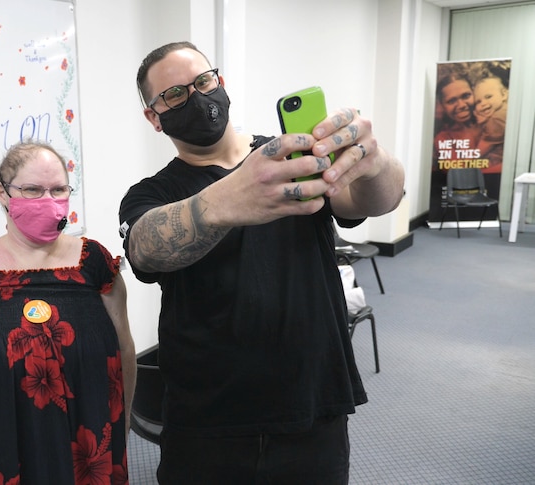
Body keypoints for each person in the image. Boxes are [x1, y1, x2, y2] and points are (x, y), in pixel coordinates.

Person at [118, 41, 405, 484]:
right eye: (174, 95)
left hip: (312, 403)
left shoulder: (294, 160)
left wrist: (374, 160)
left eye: (203, 82)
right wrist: (225, 201)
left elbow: (380, 199)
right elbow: (144, 247)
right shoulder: (150, 193)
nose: (196, 97)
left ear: (221, 82)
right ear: (154, 117)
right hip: (206, 420)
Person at [0, 141, 136, 485]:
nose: (47, 200)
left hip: (86, 447)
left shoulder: (95, 265)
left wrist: (123, 423)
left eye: (58, 189)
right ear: (3, 193)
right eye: (32, 189)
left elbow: (125, 350)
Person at [432, 63, 480, 171]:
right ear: (442, 105)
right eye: (452, 101)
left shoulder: (491, 124)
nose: (462, 105)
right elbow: (461, 174)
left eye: (466, 96)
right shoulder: (444, 139)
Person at [471, 63, 509, 174]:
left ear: (504, 94)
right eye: (478, 101)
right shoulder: (506, 111)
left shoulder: (496, 120)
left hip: (494, 169)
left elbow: (477, 154)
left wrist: (483, 124)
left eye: (488, 97)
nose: (483, 104)